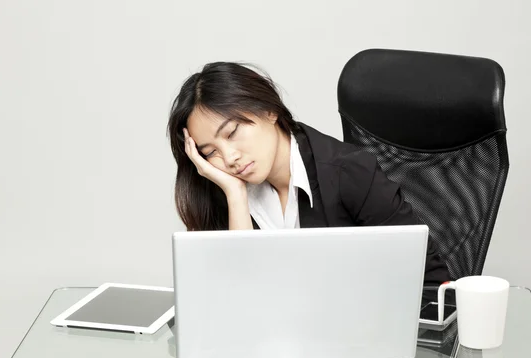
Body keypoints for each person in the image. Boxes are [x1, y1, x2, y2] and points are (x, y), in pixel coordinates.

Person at [167, 61, 450, 285]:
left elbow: (432, 281)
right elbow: (231, 298)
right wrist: (236, 196)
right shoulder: (221, 189)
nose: (229, 158)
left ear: (268, 110)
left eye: (232, 132)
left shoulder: (349, 173)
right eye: (210, 152)